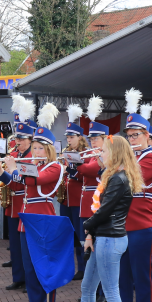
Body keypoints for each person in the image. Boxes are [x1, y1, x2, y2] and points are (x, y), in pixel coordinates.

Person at [55, 134, 144, 302]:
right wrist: (90, 233)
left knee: (111, 290)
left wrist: (86, 226)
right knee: (87, 286)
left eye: (104, 151)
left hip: (110, 238)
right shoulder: (113, 176)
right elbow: (103, 210)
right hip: (103, 236)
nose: (100, 154)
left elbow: (105, 211)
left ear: (114, 153)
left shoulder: (119, 178)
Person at [0, 103, 64, 302]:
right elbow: (21, 184)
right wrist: (2, 171)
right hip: (26, 221)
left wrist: (15, 168)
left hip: (43, 222)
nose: (35, 152)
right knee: (29, 268)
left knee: (43, 268)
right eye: (34, 148)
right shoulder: (30, 167)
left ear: (49, 150)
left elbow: (36, 180)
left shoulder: (54, 167)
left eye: (39, 148)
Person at [119, 90, 152, 302]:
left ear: (148, 136)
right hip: (120, 223)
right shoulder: (128, 157)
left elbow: (136, 182)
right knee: (122, 275)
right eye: (128, 135)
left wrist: (116, 164)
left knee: (141, 276)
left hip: (141, 224)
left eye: (135, 135)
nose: (131, 139)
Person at [77, 97, 109, 302]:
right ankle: (92, 290)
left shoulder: (105, 155)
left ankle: (102, 292)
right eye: (91, 138)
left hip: (100, 204)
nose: (93, 141)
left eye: (96, 138)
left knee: (100, 250)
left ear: (105, 138)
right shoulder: (90, 154)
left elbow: (89, 169)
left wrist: (76, 164)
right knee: (88, 248)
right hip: (87, 202)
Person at [0, 96, 34, 291]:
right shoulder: (15, 154)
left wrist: (11, 170)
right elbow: (11, 182)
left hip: (25, 201)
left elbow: (22, 182)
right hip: (13, 203)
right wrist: (0, 170)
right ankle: (18, 277)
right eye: (16, 139)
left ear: (30, 140)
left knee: (27, 246)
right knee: (15, 243)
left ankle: (29, 279)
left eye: (21, 139)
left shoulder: (32, 157)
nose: (17, 142)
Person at [61, 104, 88, 280]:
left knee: (81, 236)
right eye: (68, 137)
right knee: (69, 236)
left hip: (79, 200)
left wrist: (72, 171)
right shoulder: (65, 152)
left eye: (71, 137)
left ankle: (84, 268)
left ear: (79, 137)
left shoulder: (86, 154)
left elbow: (85, 177)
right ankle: (72, 266)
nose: (69, 140)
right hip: (66, 200)